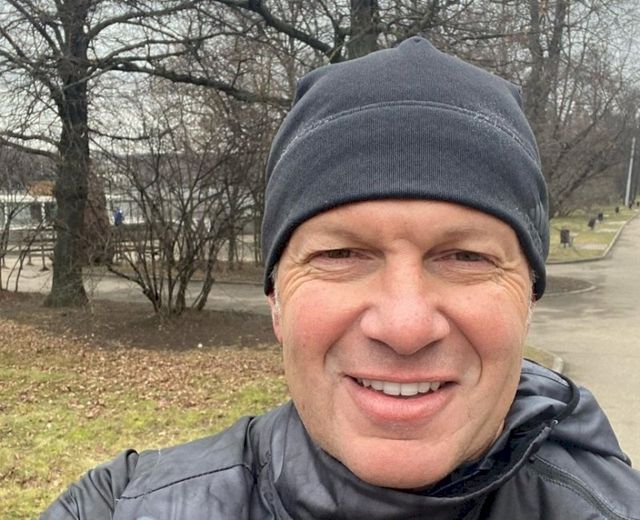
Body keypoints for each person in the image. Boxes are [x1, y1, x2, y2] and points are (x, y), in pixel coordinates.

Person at [42, 37, 640, 519]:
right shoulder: (119, 507)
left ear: (528, 298)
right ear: (276, 299)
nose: (404, 327)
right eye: (341, 254)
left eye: (464, 257)